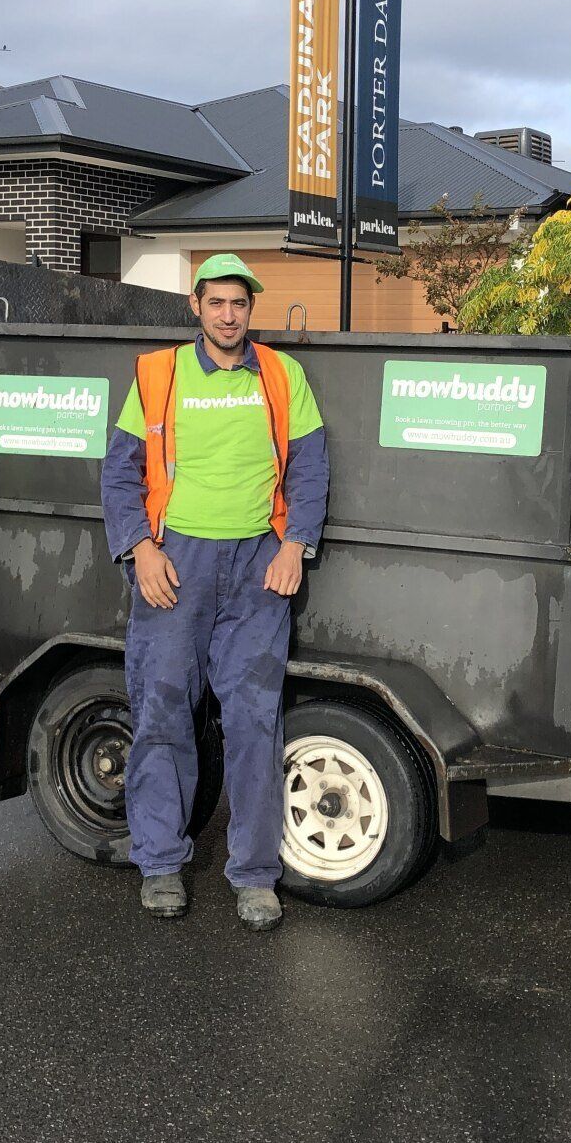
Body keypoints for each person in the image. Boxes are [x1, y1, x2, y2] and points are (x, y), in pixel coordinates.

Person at [100, 253, 328, 931]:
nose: (230, 315)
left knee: (256, 722)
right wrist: (140, 549)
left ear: (250, 310)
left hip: (258, 567)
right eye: (217, 303)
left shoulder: (284, 376)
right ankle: (162, 864)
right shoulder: (157, 374)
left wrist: (295, 545)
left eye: (240, 304)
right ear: (195, 307)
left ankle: (255, 875)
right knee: (164, 711)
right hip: (176, 566)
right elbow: (119, 474)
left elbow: (312, 467)